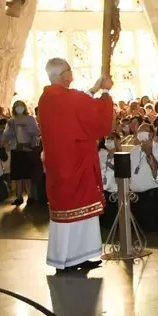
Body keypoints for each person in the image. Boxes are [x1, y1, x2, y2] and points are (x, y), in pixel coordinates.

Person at [37, 59, 113, 274]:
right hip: (75, 164)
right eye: (70, 70)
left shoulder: (48, 98)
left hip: (61, 166)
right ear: (63, 75)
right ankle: (65, 260)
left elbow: (79, 104)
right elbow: (94, 114)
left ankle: (82, 255)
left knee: (79, 212)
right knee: (75, 210)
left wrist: (95, 88)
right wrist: (105, 93)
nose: (72, 74)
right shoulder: (68, 98)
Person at [129, 122, 158, 232]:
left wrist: (149, 151)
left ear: (151, 134)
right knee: (137, 228)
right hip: (135, 196)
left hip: (152, 194)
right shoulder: (134, 150)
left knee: (151, 228)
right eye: (139, 131)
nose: (141, 133)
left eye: (144, 131)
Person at [3, 100, 40, 206]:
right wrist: (12, 131)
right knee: (18, 175)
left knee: (28, 174)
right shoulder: (11, 121)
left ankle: (30, 196)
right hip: (16, 149)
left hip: (28, 148)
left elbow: (36, 132)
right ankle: (18, 197)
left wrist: (27, 128)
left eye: (20, 106)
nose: (19, 108)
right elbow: (6, 135)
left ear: (24, 107)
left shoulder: (30, 119)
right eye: (16, 106)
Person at [98, 133, 120, 228]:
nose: (109, 141)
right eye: (107, 138)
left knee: (111, 222)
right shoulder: (101, 154)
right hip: (103, 192)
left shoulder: (121, 156)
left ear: (117, 141)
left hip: (114, 193)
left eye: (112, 139)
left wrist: (114, 167)